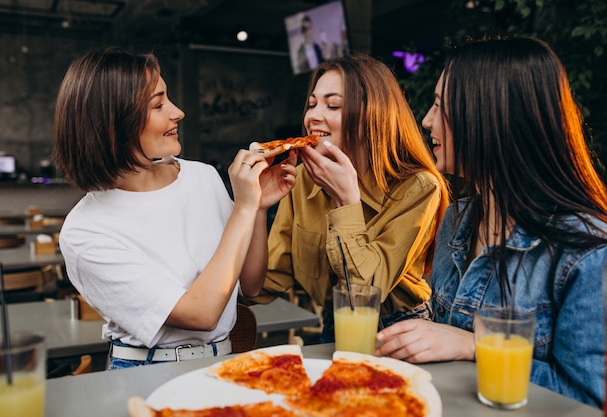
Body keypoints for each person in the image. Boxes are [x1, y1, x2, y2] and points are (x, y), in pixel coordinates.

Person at [375, 37, 607, 408]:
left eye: (439, 106)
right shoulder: (458, 218)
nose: (426, 120)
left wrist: (476, 346)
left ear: (489, 116)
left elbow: (588, 400)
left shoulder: (587, 251)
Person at [52, 47, 297, 369]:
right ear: (114, 124)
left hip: (223, 362)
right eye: (158, 105)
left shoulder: (201, 176)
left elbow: (250, 285)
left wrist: (257, 207)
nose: (178, 111)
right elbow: (201, 313)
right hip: (146, 371)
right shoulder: (86, 231)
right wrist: (242, 207)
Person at [249, 53, 450, 343]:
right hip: (333, 328)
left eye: (333, 105)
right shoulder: (303, 178)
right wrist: (254, 206)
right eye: (312, 104)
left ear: (373, 115)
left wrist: (346, 201)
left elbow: (363, 295)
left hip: (403, 331)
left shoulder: (419, 187)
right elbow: (261, 286)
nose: (313, 116)